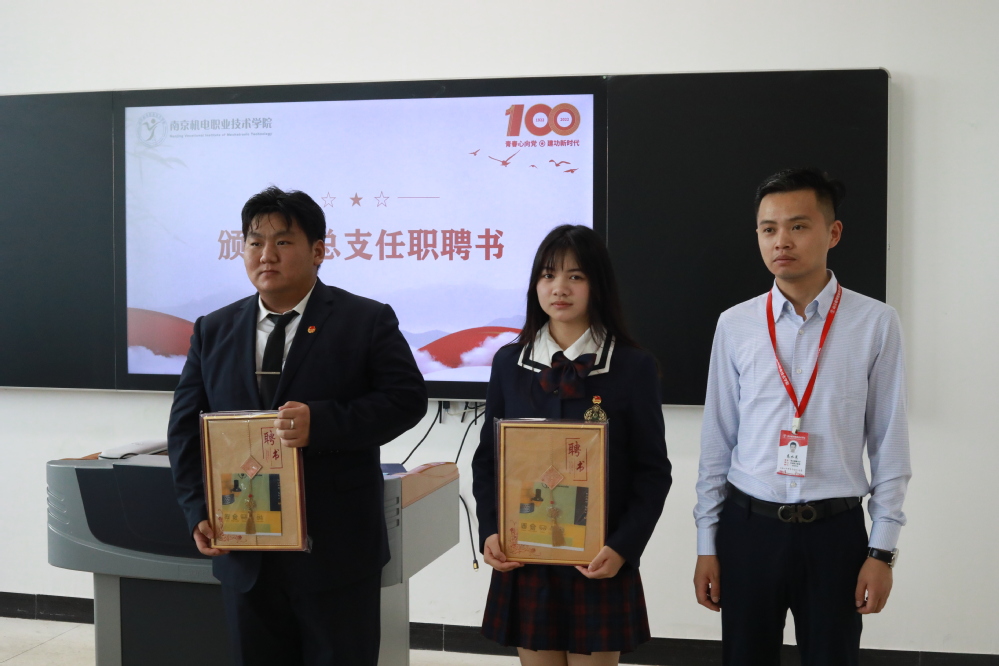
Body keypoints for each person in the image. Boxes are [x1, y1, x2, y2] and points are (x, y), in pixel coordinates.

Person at [167, 186, 428, 666]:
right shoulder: (213, 329)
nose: (266, 254)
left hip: (335, 551)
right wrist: (196, 508)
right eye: (254, 242)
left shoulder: (364, 320)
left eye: (283, 242)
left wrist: (322, 423)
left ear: (318, 251)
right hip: (245, 544)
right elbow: (185, 428)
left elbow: (406, 400)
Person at [693, 168, 911, 665]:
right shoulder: (736, 324)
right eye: (768, 229)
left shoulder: (875, 323)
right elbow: (717, 442)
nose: (781, 241)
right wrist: (707, 542)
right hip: (749, 529)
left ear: (833, 233)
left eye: (798, 226)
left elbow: (889, 442)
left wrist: (882, 551)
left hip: (835, 534)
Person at [471, 224, 672, 666]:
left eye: (575, 276)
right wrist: (490, 530)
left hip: (599, 559)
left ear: (597, 285)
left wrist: (623, 548)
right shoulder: (509, 362)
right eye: (548, 275)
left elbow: (653, 472)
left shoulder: (631, 366)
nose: (559, 288)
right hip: (528, 556)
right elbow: (488, 461)